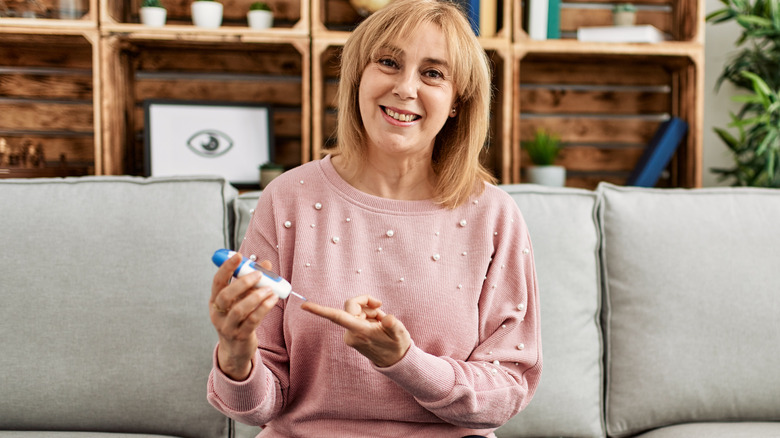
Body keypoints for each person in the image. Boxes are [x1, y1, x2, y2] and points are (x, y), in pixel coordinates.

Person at [207, 0, 542, 435]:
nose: (405, 88)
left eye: (433, 73)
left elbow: (508, 389)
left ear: (458, 102)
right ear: (358, 77)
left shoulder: (493, 214)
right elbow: (256, 409)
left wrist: (406, 362)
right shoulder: (288, 198)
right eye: (388, 62)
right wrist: (236, 355)